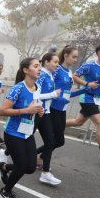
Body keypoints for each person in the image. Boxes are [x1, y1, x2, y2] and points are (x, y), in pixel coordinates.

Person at [0, 58, 44, 198]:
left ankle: (4, 167)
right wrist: (26, 110)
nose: (39, 69)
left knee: (30, 167)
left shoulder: (38, 87)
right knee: (22, 165)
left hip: (27, 131)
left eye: (40, 66)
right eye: (36, 66)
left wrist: (39, 110)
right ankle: (5, 191)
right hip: (13, 133)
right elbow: (2, 110)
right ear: (25, 70)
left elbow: (34, 106)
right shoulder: (19, 88)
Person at [66, 43, 100, 164]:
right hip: (87, 98)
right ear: (99, 53)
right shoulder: (89, 65)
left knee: (78, 122)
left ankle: (56, 125)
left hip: (96, 99)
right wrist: (87, 84)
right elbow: (75, 76)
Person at [36, 46, 86, 168]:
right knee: (54, 140)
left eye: (76, 57)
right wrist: (56, 97)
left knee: (56, 141)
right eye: (73, 57)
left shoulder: (69, 72)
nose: (75, 60)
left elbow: (67, 94)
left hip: (62, 110)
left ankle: (38, 158)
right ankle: (38, 161)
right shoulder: (57, 70)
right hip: (52, 108)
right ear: (66, 55)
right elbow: (49, 90)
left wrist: (85, 90)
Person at [35, 53, 62, 185]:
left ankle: (45, 173)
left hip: (46, 113)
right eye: (55, 62)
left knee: (50, 142)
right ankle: (6, 154)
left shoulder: (50, 75)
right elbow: (36, 95)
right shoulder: (42, 75)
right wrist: (53, 94)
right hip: (36, 112)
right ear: (46, 62)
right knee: (24, 137)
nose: (57, 64)